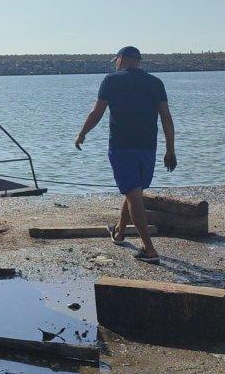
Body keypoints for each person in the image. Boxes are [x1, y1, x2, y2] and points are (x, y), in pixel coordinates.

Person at [75, 46, 176, 263]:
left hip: (122, 146)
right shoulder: (155, 82)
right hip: (148, 147)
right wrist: (170, 149)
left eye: (116, 61)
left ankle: (149, 250)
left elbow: (97, 112)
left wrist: (82, 133)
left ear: (121, 59)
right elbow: (166, 117)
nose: (115, 64)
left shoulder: (111, 80)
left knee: (133, 194)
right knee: (134, 192)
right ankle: (120, 232)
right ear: (137, 61)